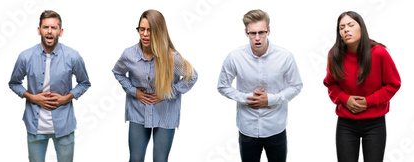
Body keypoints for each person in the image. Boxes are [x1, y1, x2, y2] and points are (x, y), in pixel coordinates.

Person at [112, 9, 197, 162]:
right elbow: (117, 72)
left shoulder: (172, 58)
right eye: (141, 29)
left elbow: (192, 76)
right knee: (135, 159)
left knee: (160, 159)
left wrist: (167, 93)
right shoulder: (129, 54)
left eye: (149, 30)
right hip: (138, 112)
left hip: (165, 114)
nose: (144, 34)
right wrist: (133, 91)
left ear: (159, 31)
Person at [217, 9, 301, 162]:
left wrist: (271, 99)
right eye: (252, 33)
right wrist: (247, 98)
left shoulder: (285, 56)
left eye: (261, 32)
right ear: (246, 32)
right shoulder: (235, 57)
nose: (257, 38)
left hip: (275, 127)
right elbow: (222, 86)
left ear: (269, 31)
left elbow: (296, 86)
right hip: (248, 129)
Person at [8, 10, 91, 162]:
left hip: (64, 125)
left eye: (54, 27)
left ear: (61, 31)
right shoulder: (25, 56)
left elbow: (84, 83)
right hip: (35, 126)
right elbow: (14, 83)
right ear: (39, 30)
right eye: (46, 27)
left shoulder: (73, 56)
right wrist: (32, 97)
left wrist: (66, 98)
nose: (50, 31)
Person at [322, 11, 400, 162]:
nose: (346, 29)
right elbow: (331, 83)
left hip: (375, 123)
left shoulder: (379, 53)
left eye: (351, 25)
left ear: (361, 28)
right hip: (346, 123)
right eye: (342, 27)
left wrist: (368, 101)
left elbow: (393, 84)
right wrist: (345, 99)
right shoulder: (334, 55)